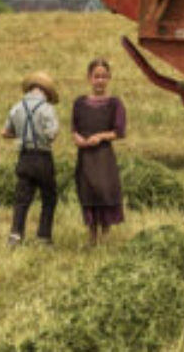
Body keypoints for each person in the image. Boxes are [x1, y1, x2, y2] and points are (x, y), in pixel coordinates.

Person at [72, 57, 126, 245]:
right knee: (88, 192)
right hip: (86, 156)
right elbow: (74, 128)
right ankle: (92, 234)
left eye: (104, 76)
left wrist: (101, 136)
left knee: (105, 191)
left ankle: (105, 233)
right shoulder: (79, 103)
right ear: (89, 78)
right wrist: (77, 138)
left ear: (109, 78)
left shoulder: (115, 103)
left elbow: (119, 131)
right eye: (96, 76)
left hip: (103, 156)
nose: (100, 81)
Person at [2, 71, 60, 247]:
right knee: (49, 197)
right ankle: (43, 236)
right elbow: (52, 134)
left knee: (22, 198)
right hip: (42, 156)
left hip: (24, 156)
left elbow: (5, 132)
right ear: (46, 91)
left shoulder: (16, 107)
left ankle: (16, 235)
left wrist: (22, 135)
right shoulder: (47, 109)